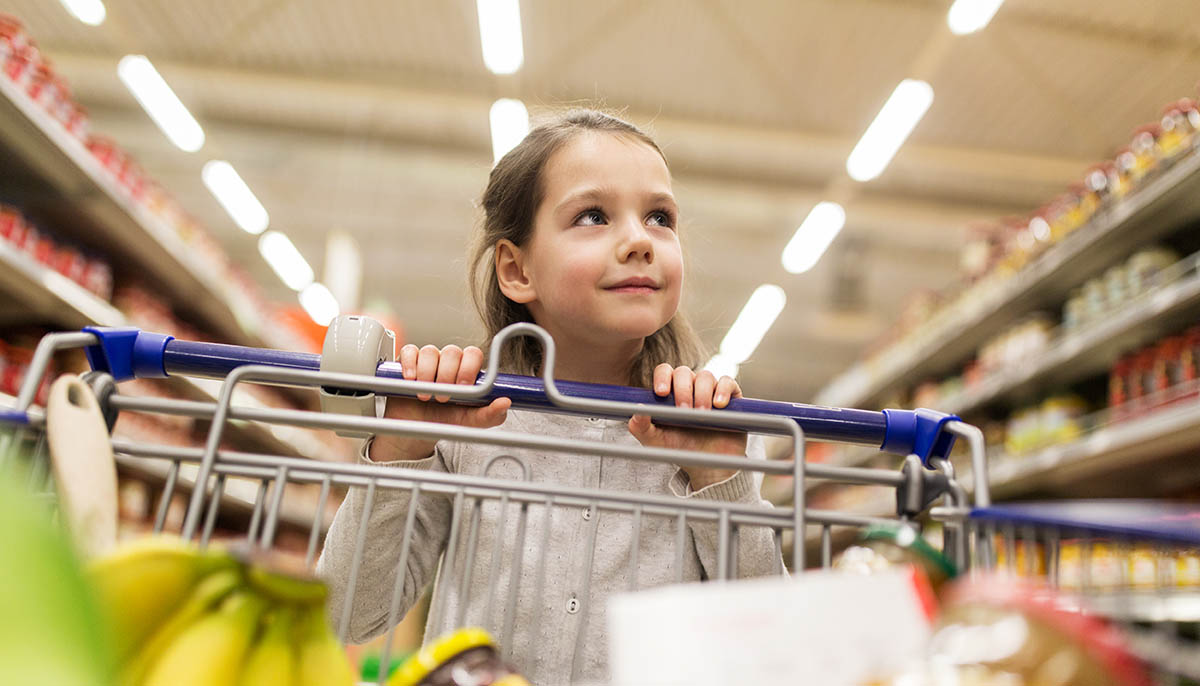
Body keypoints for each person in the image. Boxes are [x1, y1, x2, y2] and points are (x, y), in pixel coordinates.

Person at [317, 109, 784, 685]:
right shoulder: (466, 420)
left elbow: (772, 649)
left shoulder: (711, 431)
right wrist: (402, 449)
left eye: (659, 217)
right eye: (594, 216)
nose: (640, 240)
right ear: (516, 270)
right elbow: (345, 614)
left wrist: (721, 483)